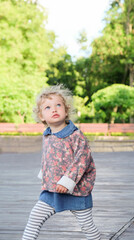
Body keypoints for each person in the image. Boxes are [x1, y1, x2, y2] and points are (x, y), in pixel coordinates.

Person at [22, 84, 101, 240]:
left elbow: (82, 161)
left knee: (87, 226)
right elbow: (49, 158)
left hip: (77, 191)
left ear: (66, 111)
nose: (54, 109)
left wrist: (68, 180)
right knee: (34, 218)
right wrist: (45, 174)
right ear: (41, 116)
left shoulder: (75, 135)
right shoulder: (48, 135)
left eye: (58, 105)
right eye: (48, 107)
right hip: (52, 190)